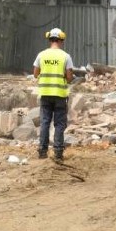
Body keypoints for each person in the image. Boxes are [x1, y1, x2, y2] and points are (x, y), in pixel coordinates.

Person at [33, 27, 74, 161]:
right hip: (60, 95)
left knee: (45, 122)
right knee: (59, 124)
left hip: (45, 94)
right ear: (61, 39)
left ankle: (42, 152)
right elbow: (69, 78)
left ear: (49, 39)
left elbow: (35, 74)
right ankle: (57, 152)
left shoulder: (41, 55)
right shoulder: (65, 56)